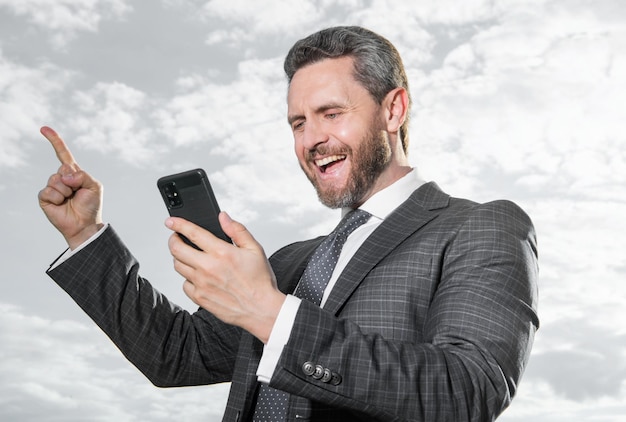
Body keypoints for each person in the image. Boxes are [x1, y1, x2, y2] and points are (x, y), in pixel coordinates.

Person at [38, 26, 539, 421]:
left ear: (394, 109)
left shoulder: (480, 227)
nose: (312, 139)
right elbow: (176, 354)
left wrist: (268, 312)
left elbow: (466, 391)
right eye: (298, 123)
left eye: (331, 113)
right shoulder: (290, 262)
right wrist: (86, 235)